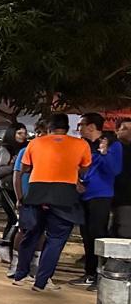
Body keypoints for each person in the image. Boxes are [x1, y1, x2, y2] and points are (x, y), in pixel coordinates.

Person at [9, 113, 91, 291]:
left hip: (37, 193)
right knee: (56, 239)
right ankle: (41, 281)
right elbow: (84, 170)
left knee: (31, 234)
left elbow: (25, 168)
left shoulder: (35, 143)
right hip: (65, 195)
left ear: (49, 128)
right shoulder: (81, 144)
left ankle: (20, 274)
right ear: (67, 128)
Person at [69, 112, 122, 288]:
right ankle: (89, 273)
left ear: (91, 126)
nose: (79, 129)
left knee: (98, 234)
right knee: (86, 234)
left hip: (101, 195)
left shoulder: (113, 144)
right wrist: (76, 181)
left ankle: (101, 274)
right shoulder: (81, 144)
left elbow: (114, 170)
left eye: (81, 125)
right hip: (82, 195)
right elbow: (74, 166)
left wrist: (104, 153)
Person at [0, 123, 28, 260]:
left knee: (14, 218)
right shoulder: (4, 151)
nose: (23, 136)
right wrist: (14, 166)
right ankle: (4, 244)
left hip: (16, 189)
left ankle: (7, 248)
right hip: (4, 188)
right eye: (19, 133)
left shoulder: (24, 149)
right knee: (15, 218)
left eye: (24, 133)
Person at [113, 117, 131, 238]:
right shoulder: (112, 148)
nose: (129, 132)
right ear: (116, 131)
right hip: (113, 194)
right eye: (125, 129)